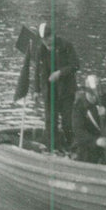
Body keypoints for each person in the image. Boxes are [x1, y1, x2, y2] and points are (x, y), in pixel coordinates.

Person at [33, 22, 79, 150]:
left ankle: (72, 148)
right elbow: (37, 71)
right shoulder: (40, 50)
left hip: (66, 91)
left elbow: (76, 65)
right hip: (49, 92)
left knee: (67, 122)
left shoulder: (66, 46)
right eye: (43, 39)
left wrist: (60, 73)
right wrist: (36, 90)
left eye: (48, 37)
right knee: (50, 122)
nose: (47, 41)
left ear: (54, 35)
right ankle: (52, 148)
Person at [72, 74, 106, 163]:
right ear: (86, 91)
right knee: (87, 156)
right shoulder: (79, 105)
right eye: (91, 93)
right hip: (88, 144)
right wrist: (96, 141)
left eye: (96, 93)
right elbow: (78, 131)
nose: (94, 97)